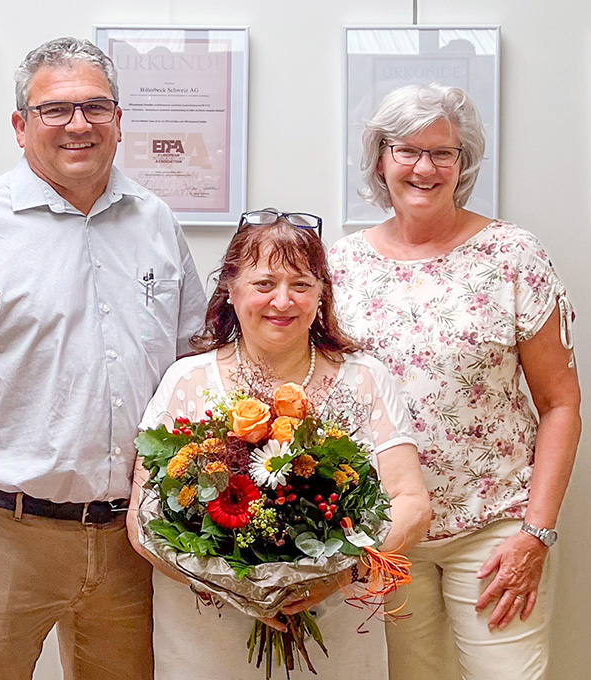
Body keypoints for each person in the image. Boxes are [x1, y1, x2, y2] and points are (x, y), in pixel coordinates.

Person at [0, 37, 206, 680]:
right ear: (20, 125)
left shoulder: (156, 221)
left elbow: (192, 366)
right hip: (3, 536)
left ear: (119, 120)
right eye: (55, 110)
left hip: (133, 541)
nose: (78, 125)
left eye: (96, 107)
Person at [327, 83, 582, 680]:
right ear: (380, 160)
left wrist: (535, 534)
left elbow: (561, 402)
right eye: (405, 150)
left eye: (443, 152)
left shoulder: (512, 254)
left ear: (463, 162)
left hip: (495, 528)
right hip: (383, 529)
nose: (424, 167)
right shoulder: (339, 266)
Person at [127, 209, 432, 679]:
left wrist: (336, 575)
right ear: (231, 288)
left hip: (337, 624)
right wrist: (233, 586)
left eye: (302, 284)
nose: (282, 301)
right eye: (264, 283)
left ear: (321, 293)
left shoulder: (364, 377)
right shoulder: (186, 380)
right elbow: (142, 523)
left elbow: (411, 502)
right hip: (207, 629)